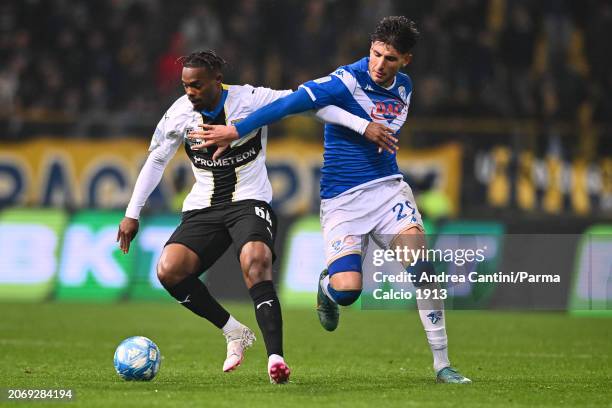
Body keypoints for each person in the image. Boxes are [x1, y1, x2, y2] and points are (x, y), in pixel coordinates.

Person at [192, 17, 472, 384]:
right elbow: (295, 102)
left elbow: (348, 116)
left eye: (389, 58)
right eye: (375, 54)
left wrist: (362, 124)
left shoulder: (404, 87)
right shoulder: (346, 79)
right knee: (347, 291)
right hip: (342, 201)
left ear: (406, 60)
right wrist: (236, 129)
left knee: (423, 271)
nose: (379, 64)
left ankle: (442, 365)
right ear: (369, 48)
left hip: (388, 191)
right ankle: (327, 288)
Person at [116, 50, 395, 384]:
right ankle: (234, 332)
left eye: (197, 85)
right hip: (203, 206)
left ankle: (275, 357)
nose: (190, 92)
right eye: (186, 86)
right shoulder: (178, 114)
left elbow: (311, 105)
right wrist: (132, 214)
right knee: (169, 270)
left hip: (250, 201)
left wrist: (362, 125)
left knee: (256, 260)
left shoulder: (252, 99)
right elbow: (156, 161)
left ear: (217, 79)